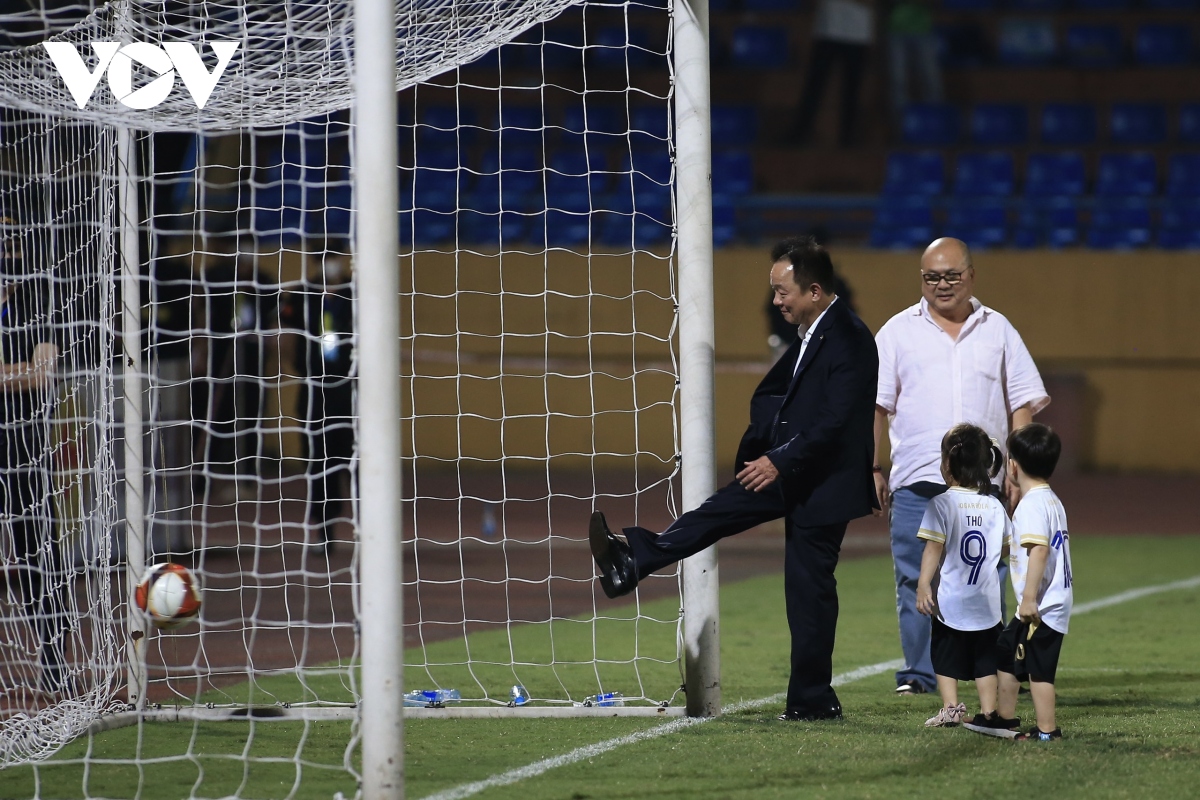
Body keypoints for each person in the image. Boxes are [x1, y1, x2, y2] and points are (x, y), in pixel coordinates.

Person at [589, 236, 878, 720]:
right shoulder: (813, 330)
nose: (775, 300)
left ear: (812, 289)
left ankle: (813, 700)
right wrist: (767, 448)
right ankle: (632, 558)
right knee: (716, 512)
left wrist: (778, 460)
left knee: (808, 592)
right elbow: (784, 398)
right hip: (790, 469)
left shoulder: (850, 337)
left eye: (782, 291)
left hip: (821, 482)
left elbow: (836, 422)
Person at [874, 237, 1049, 697]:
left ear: (971, 275)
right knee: (915, 575)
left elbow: (1022, 403)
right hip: (917, 478)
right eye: (932, 276)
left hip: (984, 483)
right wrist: (873, 468)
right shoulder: (895, 332)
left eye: (952, 275)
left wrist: (1017, 468)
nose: (942, 285)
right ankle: (921, 674)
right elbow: (875, 406)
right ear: (921, 278)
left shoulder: (1000, 330)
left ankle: (990, 669)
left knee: (987, 575)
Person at [968, 423, 1073, 741]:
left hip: (1041, 605)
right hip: (1047, 602)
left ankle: (1046, 731)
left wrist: (1028, 599)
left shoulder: (1031, 506)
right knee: (1006, 651)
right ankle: (1004, 718)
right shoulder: (1050, 499)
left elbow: (1039, 549)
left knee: (1039, 670)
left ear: (1012, 465)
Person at [0, 216, 65, 694]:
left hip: (24, 450)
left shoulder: (36, 304)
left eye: (13, 242)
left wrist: (13, 370)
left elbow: (42, 374)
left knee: (40, 557)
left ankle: (55, 660)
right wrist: (14, 369)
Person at [915, 424, 1010, 728]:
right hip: (986, 599)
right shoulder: (994, 505)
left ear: (948, 463)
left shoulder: (941, 503)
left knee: (946, 653)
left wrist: (922, 584)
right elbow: (1006, 549)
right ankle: (988, 711)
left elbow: (933, 549)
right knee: (985, 657)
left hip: (951, 598)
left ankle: (951, 708)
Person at [279, 246, 355, 552]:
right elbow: (281, 333)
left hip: (352, 390)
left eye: (335, 256)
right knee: (319, 464)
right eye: (325, 258)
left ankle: (372, 531)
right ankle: (325, 532)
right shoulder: (300, 295)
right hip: (315, 390)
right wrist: (287, 365)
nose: (331, 264)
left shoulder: (358, 294)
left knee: (358, 462)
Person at [786, 0, 875, 147]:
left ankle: (848, 138)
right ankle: (800, 132)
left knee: (851, 89)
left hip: (857, 34)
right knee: (814, 86)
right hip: (826, 31)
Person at [885, 0, 943, 133]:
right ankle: (901, 129)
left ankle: (934, 125)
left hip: (923, 30)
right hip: (896, 29)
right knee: (898, 82)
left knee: (931, 81)